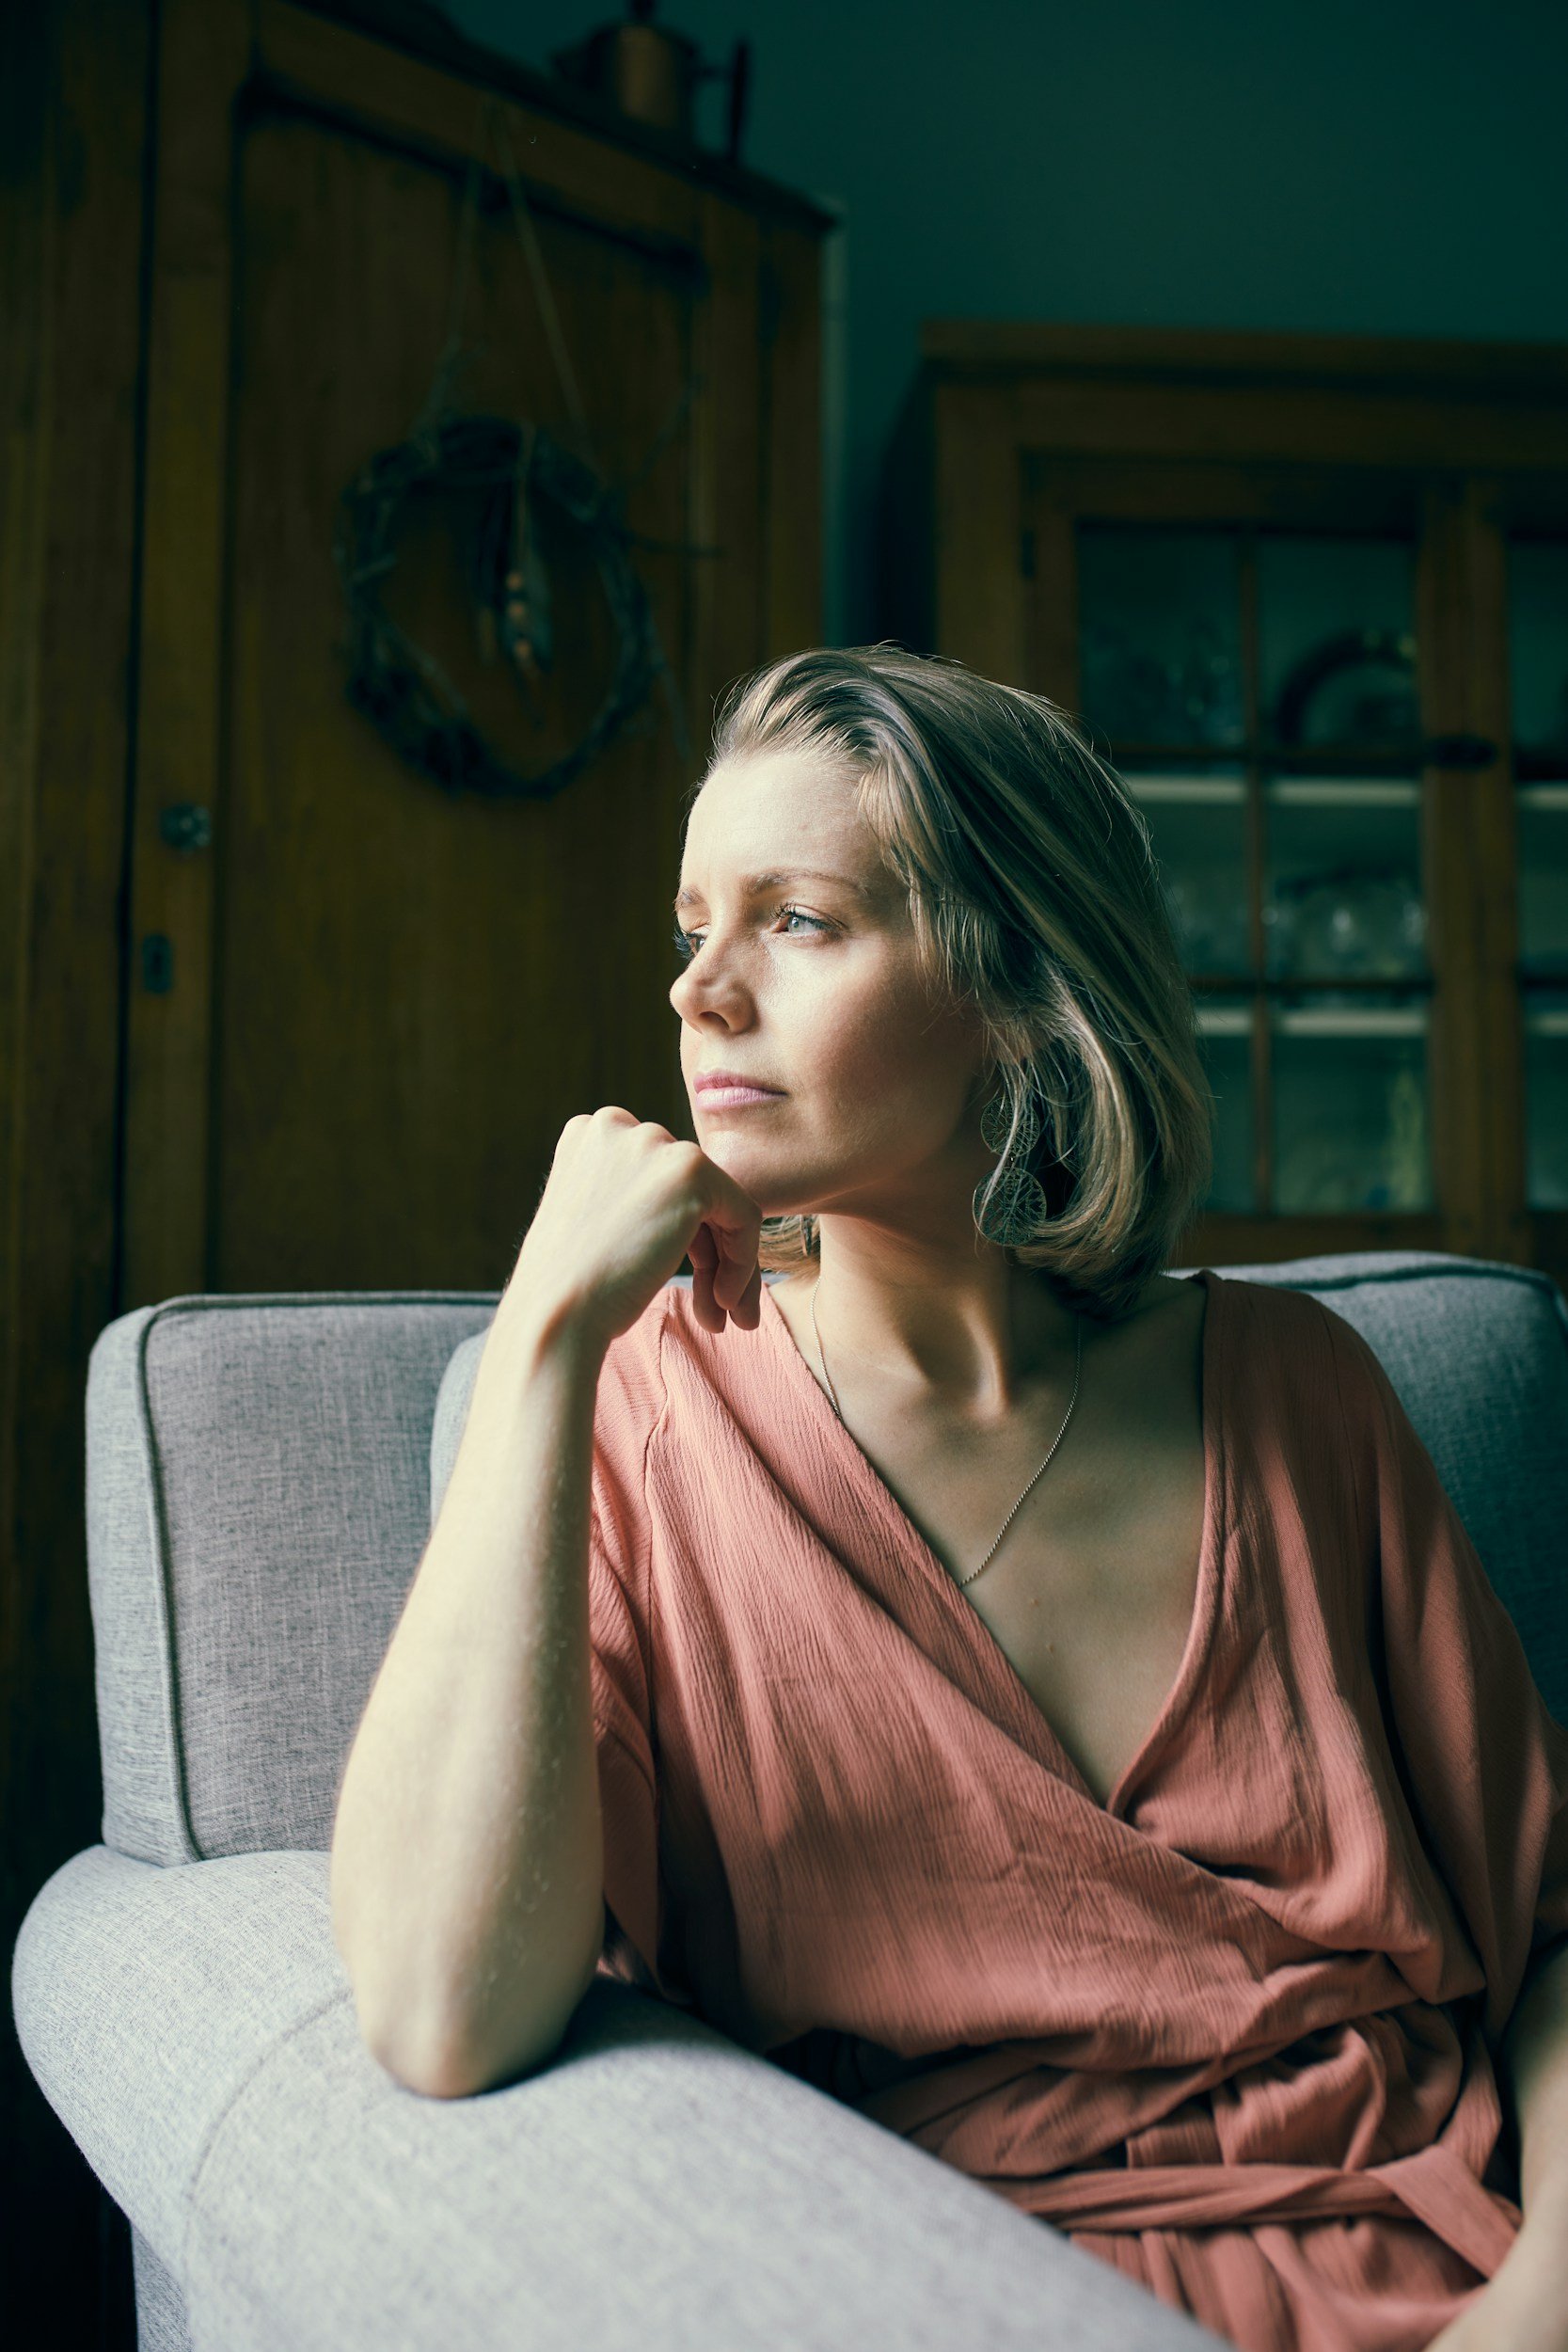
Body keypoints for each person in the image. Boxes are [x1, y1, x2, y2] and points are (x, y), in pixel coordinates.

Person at [332, 645, 1568, 2352]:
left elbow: (1551, 1936)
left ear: (1020, 984)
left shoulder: (1302, 1397)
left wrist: (1537, 2307)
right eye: (691, 927)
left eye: (801, 920)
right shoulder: (640, 1420)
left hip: (1445, 2255)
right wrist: (543, 1341)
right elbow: (433, 2011)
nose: (701, 991)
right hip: (958, 2297)